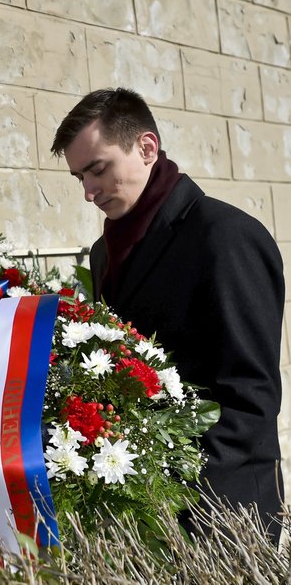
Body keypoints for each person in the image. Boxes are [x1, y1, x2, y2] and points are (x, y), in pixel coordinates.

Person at [50, 87, 285, 540]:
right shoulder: (104, 252)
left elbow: (251, 395)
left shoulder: (226, 236)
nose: (88, 192)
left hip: (222, 511)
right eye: (79, 177)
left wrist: (173, 486)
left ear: (146, 148)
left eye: (97, 170)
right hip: (143, 512)